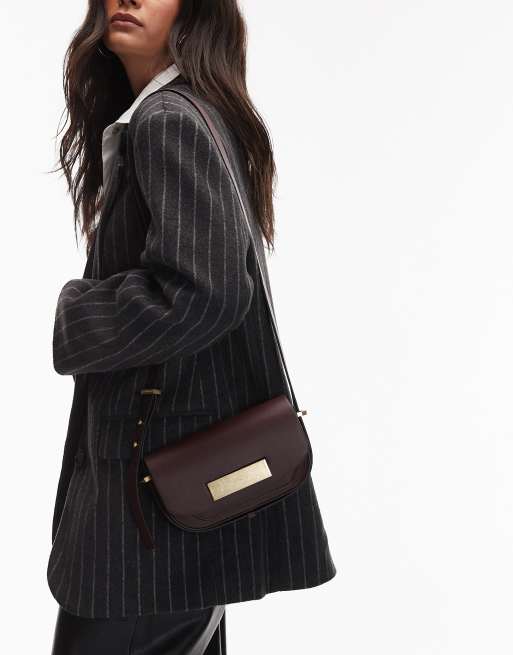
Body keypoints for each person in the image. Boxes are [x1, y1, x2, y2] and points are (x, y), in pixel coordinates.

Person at [48, 1, 337, 652]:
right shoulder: (190, 112)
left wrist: (78, 317)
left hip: (146, 517)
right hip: (177, 498)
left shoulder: (169, 120)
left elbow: (207, 289)